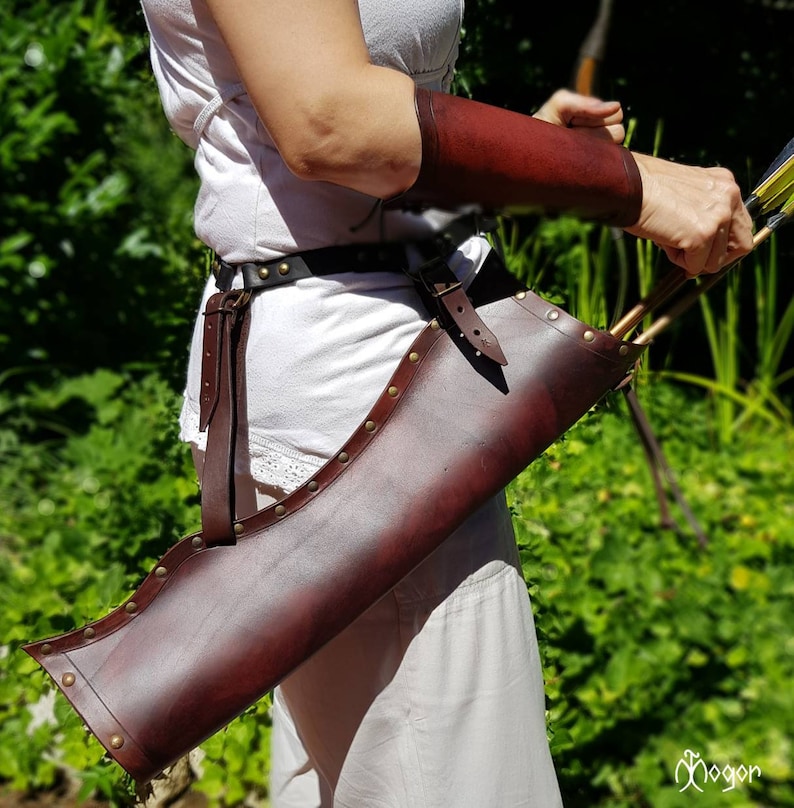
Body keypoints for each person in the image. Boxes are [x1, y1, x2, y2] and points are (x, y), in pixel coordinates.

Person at [139, 1, 753, 805]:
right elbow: (328, 122)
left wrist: (526, 149)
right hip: (358, 410)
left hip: (385, 379)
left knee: (356, 775)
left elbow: (347, 162)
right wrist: (631, 183)